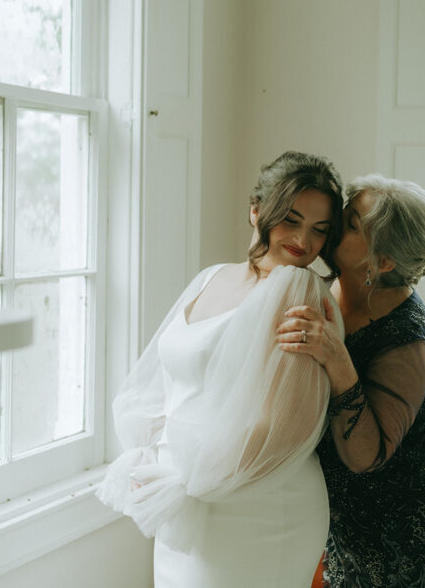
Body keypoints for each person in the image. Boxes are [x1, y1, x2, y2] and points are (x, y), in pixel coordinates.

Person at [96, 151, 345, 587]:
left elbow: (281, 425)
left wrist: (189, 480)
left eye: (319, 230)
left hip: (257, 505)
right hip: (186, 499)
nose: (304, 241)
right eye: (291, 219)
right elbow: (169, 386)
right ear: (256, 210)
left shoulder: (297, 291)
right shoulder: (212, 277)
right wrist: (153, 456)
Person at [276, 174, 425, 587]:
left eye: (349, 224)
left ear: (382, 262)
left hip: (409, 512)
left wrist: (338, 360)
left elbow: (367, 455)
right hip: (343, 504)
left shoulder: (408, 340)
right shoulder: (326, 288)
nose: (332, 225)